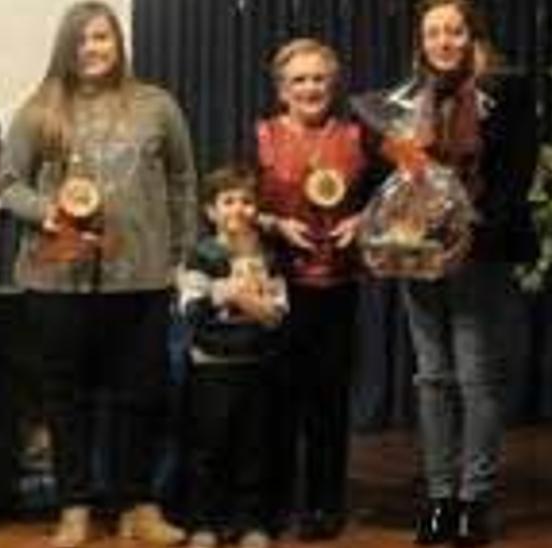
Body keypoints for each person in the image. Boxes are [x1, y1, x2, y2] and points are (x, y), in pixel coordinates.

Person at [0, 2, 196, 546]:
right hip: (56, 279)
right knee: (66, 397)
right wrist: (49, 212)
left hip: (143, 278)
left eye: (102, 38)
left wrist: (177, 255)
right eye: (82, 40)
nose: (92, 49)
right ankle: (75, 509)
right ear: (67, 47)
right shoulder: (40, 109)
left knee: (140, 394)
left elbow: (182, 181)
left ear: (118, 43)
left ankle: (137, 506)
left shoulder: (157, 105)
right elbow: (8, 183)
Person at [351, 1, 536, 545]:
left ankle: (474, 501)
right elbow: (385, 178)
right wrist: (377, 220)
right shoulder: (407, 102)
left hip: (480, 251)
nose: (444, 41)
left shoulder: (507, 92)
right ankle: (439, 498)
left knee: (476, 376)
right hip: (418, 256)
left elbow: (518, 174)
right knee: (432, 377)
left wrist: (469, 228)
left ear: (471, 35)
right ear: (422, 41)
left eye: (454, 30)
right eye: (434, 32)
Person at [253, 38, 368, 541]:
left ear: (333, 84)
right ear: (282, 89)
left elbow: (397, 193)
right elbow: (234, 204)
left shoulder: (359, 136)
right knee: (277, 401)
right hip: (278, 285)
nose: (310, 88)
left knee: (329, 401)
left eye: (319, 78)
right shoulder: (260, 135)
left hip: (337, 285)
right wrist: (275, 224)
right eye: (299, 79)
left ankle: (326, 505)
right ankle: (276, 504)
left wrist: (365, 220)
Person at [177, 165, 287, 548]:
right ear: (211, 211)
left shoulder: (269, 257)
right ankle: (206, 522)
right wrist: (233, 294)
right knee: (209, 449)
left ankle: (252, 522)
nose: (238, 209)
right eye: (228, 201)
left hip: (255, 367)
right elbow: (192, 309)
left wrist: (251, 302)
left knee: (254, 449)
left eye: (246, 201)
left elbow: (276, 314)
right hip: (211, 368)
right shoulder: (201, 256)